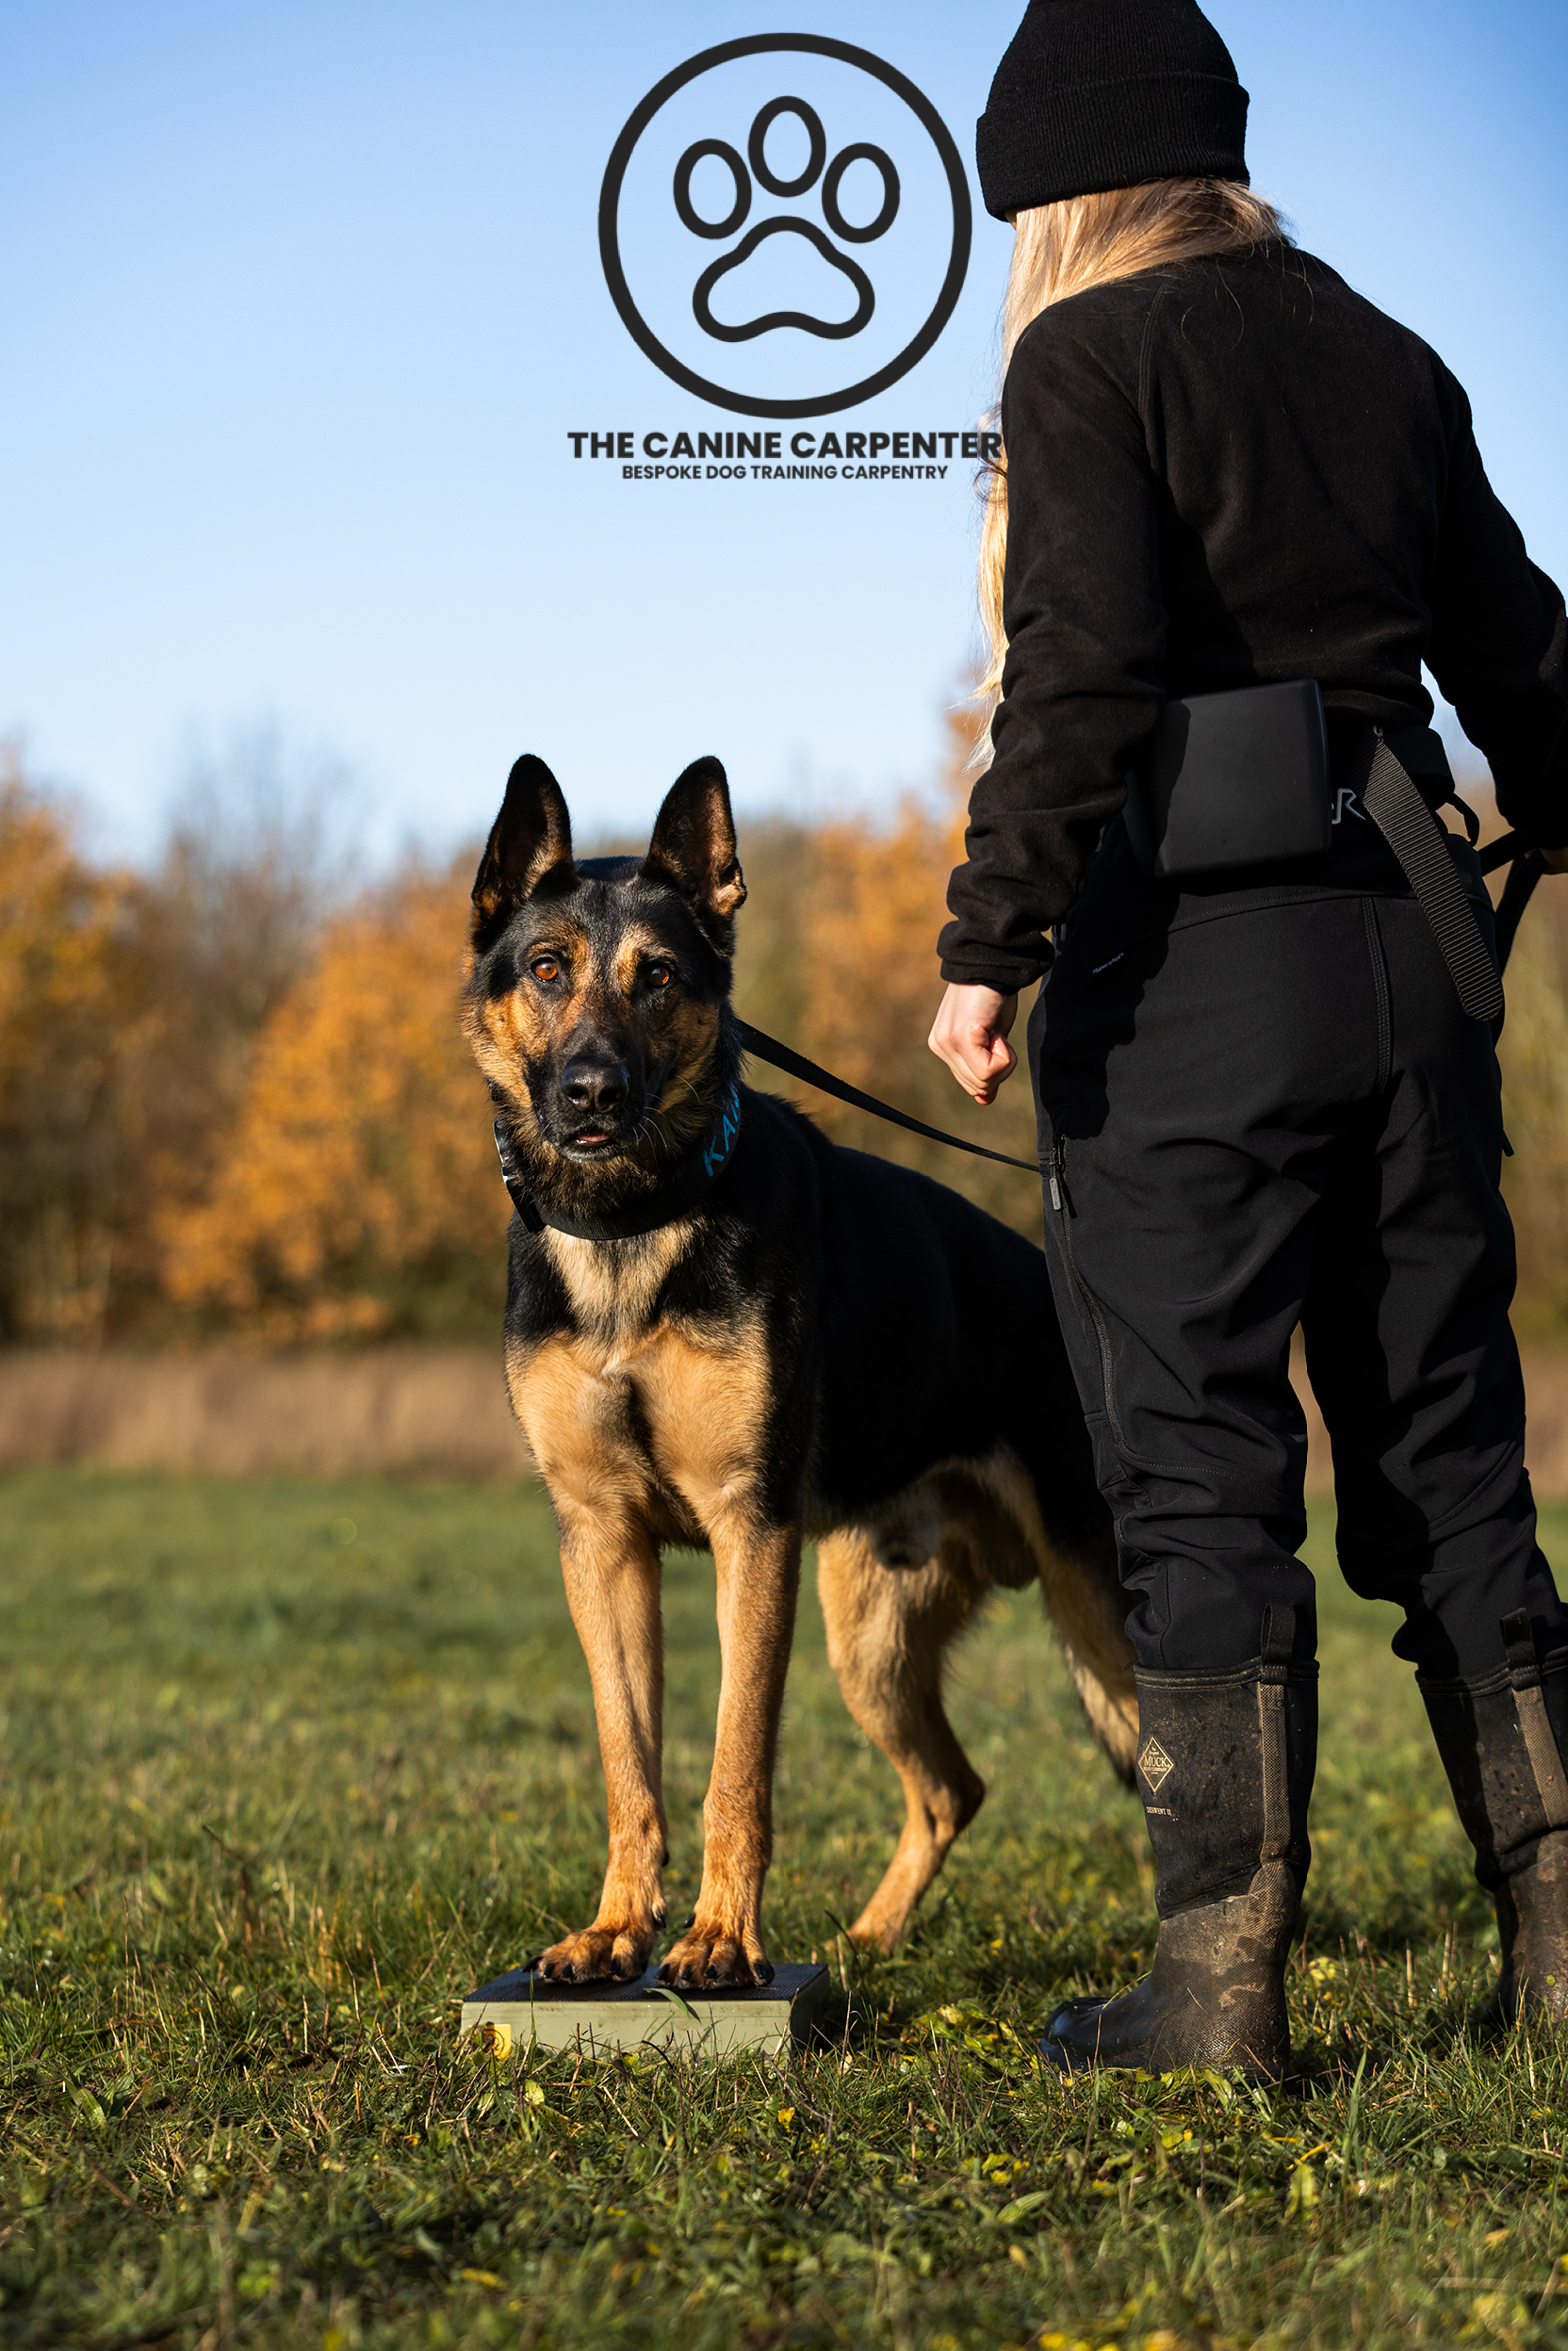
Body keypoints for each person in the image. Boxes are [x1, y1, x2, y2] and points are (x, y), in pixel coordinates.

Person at [928, 0, 1568, 2082]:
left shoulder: (1085, 351)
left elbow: (1081, 668)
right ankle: (1563, 1960)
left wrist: (985, 941)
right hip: (1409, 958)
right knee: (1453, 1462)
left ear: (1055, 186)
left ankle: (1212, 1997)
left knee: (1198, 1466)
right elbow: (1529, 663)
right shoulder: (1385, 351)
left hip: (1189, 969)